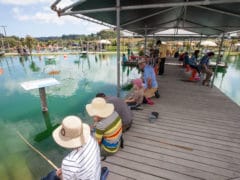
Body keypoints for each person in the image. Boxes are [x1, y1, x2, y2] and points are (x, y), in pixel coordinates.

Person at [42, 116, 101, 180]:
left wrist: (59, 174)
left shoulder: (69, 161)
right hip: (96, 176)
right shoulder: (92, 139)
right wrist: (67, 170)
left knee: (51, 175)